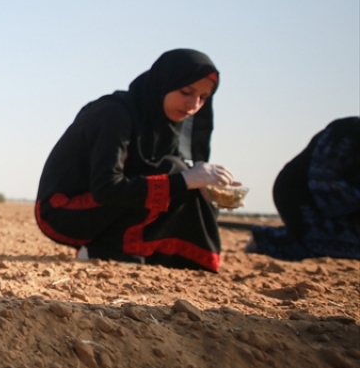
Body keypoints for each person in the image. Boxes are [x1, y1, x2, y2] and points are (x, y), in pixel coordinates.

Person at [34, 49, 239, 272]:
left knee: (183, 179)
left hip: (103, 204)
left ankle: (139, 253)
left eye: (203, 98)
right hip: (63, 210)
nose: (194, 105)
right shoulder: (114, 114)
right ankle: (104, 250)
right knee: (175, 173)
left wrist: (205, 189)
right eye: (186, 92)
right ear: (164, 84)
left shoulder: (165, 126)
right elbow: (107, 187)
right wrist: (184, 180)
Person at [248, 117, 360, 260]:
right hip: (302, 193)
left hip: (345, 202)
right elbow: (323, 181)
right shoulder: (347, 132)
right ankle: (265, 240)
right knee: (328, 244)